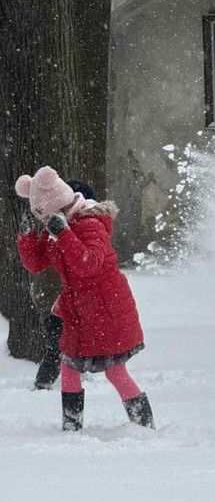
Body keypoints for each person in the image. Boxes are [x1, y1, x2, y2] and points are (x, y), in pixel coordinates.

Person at [15, 166, 154, 430]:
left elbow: (88, 264)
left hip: (105, 306)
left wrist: (64, 233)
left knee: (115, 371)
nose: (44, 222)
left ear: (58, 204)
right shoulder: (56, 229)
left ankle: (144, 425)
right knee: (69, 366)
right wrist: (26, 238)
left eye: (46, 215)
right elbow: (36, 263)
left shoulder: (91, 225)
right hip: (78, 308)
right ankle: (72, 426)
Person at [28, 179, 96, 390]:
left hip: (59, 297)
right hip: (55, 298)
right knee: (57, 342)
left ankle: (72, 376)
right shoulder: (58, 231)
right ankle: (44, 382)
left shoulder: (65, 229)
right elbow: (41, 263)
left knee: (65, 340)